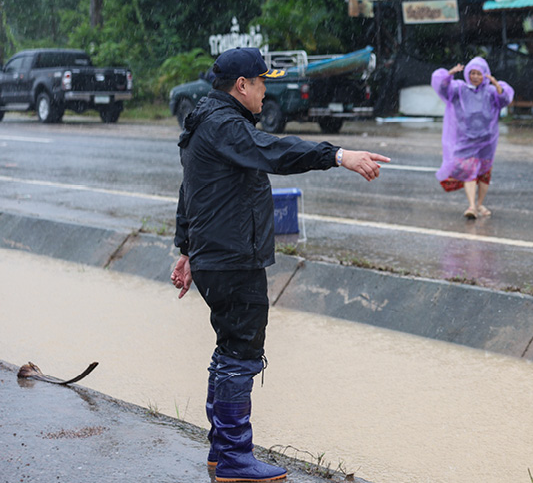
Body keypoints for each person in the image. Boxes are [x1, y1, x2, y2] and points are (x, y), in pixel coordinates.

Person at [169, 47, 389, 482]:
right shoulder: (225, 124)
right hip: (233, 258)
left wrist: (187, 249)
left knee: (228, 348)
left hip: (218, 255)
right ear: (242, 85)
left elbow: (190, 190)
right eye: (262, 83)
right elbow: (274, 151)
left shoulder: (204, 121)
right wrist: (338, 155)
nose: (266, 92)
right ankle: (234, 458)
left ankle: (222, 451)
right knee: (240, 352)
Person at [431, 56, 514, 219]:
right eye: (472, 73)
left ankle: (479, 204)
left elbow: (504, 99)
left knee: (484, 173)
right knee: (469, 171)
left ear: (485, 74)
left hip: (487, 141)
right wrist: (449, 75)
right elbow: (442, 88)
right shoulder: (459, 89)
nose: (475, 76)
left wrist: (497, 85)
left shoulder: (490, 91)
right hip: (465, 139)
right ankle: (471, 206)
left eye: (479, 73)